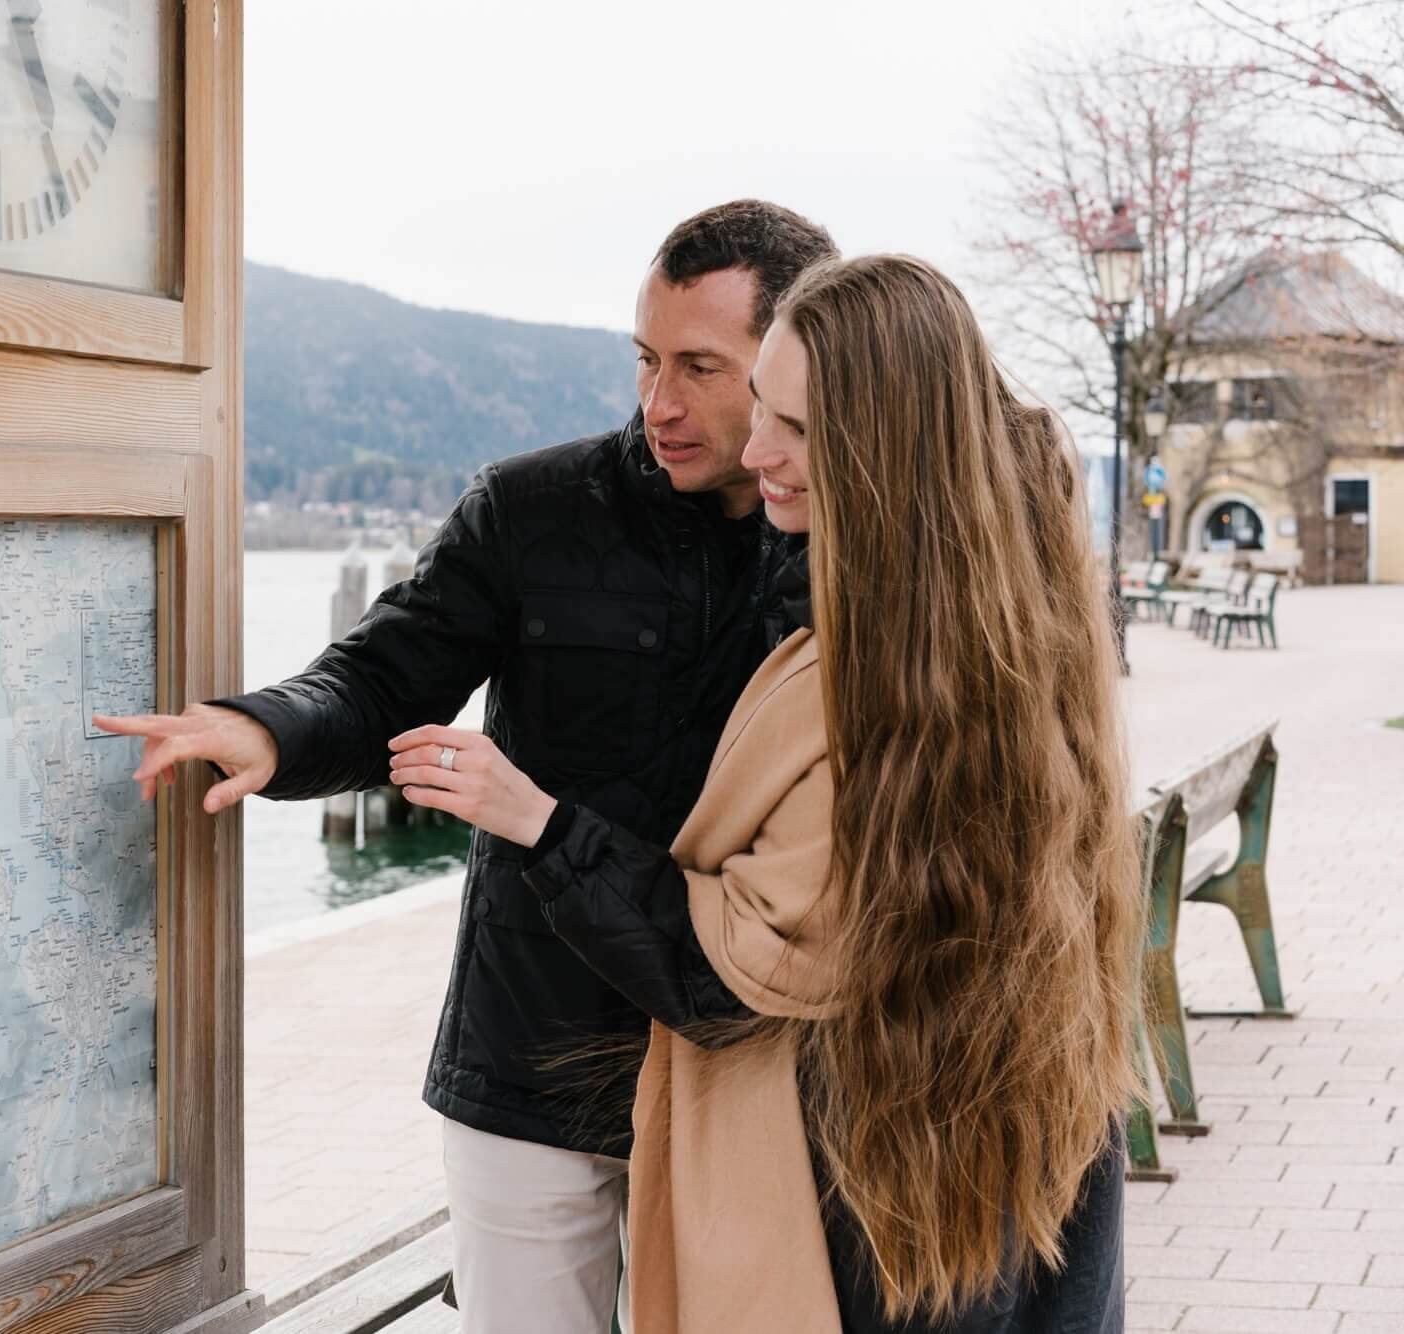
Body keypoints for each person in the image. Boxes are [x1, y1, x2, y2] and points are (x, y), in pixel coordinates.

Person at [96, 200, 839, 1331]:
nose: (659, 404)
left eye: (699, 365)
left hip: (740, 1064)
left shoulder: (846, 547)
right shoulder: (530, 508)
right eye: (643, 359)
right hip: (528, 1057)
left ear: (792, 364)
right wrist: (266, 727)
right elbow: (375, 679)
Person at [391, 255, 1139, 1332]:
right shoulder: (1011, 618)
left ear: (883, 446)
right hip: (1004, 1151)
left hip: (875, 1188)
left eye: (790, 424)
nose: (755, 453)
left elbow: (739, 966)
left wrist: (533, 820)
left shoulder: (875, 689)